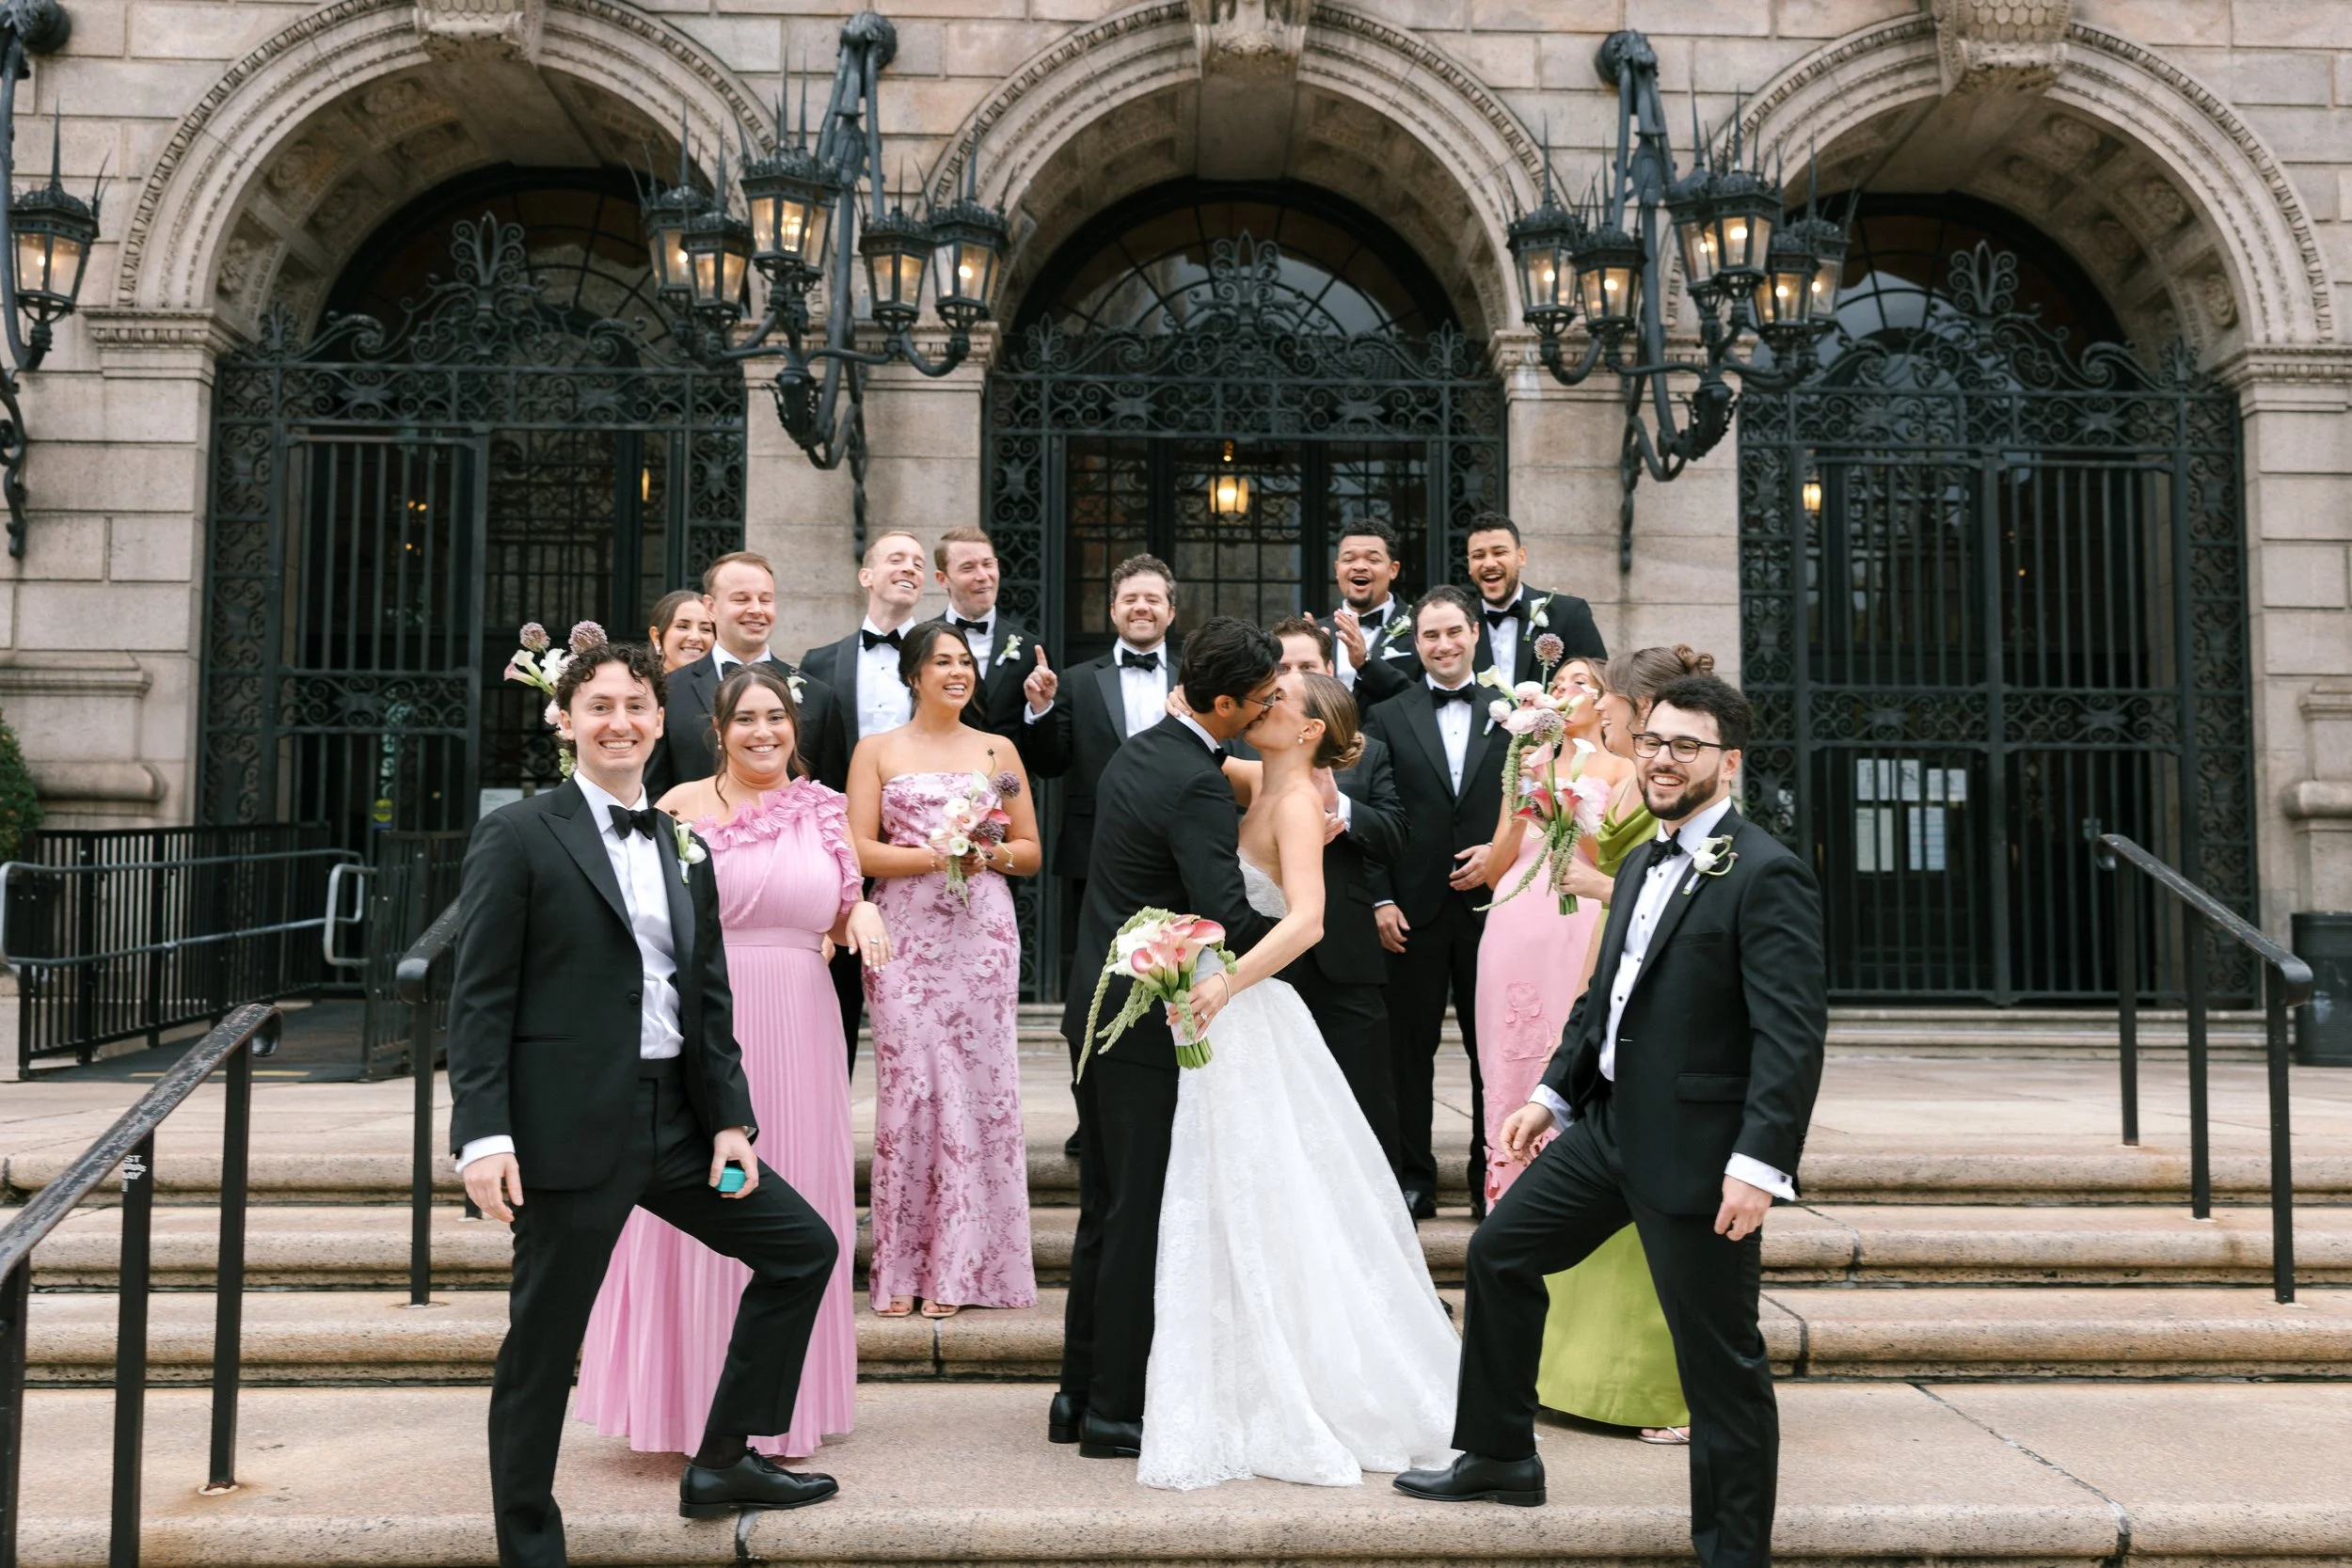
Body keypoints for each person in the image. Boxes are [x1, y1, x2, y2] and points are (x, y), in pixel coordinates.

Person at [1399, 674, 1829, 1568]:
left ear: (1730, 762)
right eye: (1656, 741)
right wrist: (1550, 1096)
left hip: (1703, 1158)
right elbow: (1605, 1000)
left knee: (1721, 1365)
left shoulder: (1766, 871)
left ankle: (1733, 1552)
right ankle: (1500, 1452)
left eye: (1687, 746)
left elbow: (1791, 1036)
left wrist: (1760, 1163)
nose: (1664, 758)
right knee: (1499, 1251)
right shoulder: (1638, 860)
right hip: (1606, 1132)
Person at [447, 641, 842, 1568]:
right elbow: (480, 996)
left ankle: (721, 1459)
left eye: (636, 704)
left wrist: (731, 1118)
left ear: (662, 721)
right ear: (567, 719)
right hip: (568, 1124)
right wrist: (483, 1133)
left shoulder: (682, 842)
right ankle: (529, 1540)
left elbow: (705, 998)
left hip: (678, 1122)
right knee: (544, 1338)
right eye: (599, 705)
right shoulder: (519, 833)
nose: (619, 720)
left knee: (803, 1248)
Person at [1138, 666, 1457, 1490]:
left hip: (1252, 1013)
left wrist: (1222, 980)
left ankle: (1305, 1381)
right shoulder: (1257, 777)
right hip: (1225, 1019)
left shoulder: (1297, 801)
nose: (1262, 705)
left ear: (1311, 729)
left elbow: (1308, 921)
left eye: (1278, 700)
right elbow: (1204, 749)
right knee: (1233, 1195)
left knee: (1273, 1194)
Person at [573, 665, 888, 1463]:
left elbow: (842, 901)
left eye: (776, 717)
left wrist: (867, 908)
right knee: (699, 1208)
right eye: (745, 718)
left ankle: (776, 1408)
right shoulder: (677, 806)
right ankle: (681, 1405)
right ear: (718, 731)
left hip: (804, 1018)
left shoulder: (826, 810)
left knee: (796, 1208)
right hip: (701, 1021)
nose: (763, 732)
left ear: (795, 726)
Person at [1051, 616, 1282, 1462]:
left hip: (1094, 1007)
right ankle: (1116, 1410)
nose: (1259, 718)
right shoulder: (1191, 782)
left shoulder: (1144, 750)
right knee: (1139, 1212)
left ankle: (1076, 1393)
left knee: (1103, 1212)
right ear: (1221, 702)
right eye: (1254, 706)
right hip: (1146, 1022)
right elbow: (1223, 906)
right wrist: (1305, 924)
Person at [1535, 644, 1717, 1446]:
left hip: (1655, 980)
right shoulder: (1614, 773)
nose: (1600, 712)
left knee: (1645, 1226)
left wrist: (1596, 881)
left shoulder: (1672, 794)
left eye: (1608, 701)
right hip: (1611, 959)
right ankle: (1579, 1376)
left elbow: (1688, 888)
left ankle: (1653, 1384)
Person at [849, 622, 1041, 1321]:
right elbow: (860, 851)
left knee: (980, 1086)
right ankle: (902, 1264)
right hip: (902, 934)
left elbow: (1030, 849)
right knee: (912, 1087)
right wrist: (934, 853)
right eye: (942, 662)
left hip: (981, 934)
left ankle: (965, 1267)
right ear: (913, 674)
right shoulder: (876, 750)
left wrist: (978, 852)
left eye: (965, 662)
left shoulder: (998, 749)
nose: (957, 672)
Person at [1360, 586, 1510, 1221]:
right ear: (1415, 643)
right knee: (1406, 1053)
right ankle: (1412, 1178)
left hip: (1494, 908)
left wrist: (1499, 858)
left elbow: (1534, 803)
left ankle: (1491, 1177)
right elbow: (1370, 806)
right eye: (1430, 635)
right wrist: (1380, 896)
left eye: (1453, 632)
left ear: (1475, 633)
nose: (1443, 645)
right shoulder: (1389, 714)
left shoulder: (1516, 712)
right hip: (1411, 912)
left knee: (1495, 1050)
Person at [1471, 655, 1625, 1211]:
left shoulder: (1623, 772)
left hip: (1579, 916)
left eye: (1580, 683)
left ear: (1606, 702)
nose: (1565, 692)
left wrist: (1571, 814)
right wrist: (1525, 795)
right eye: (1556, 684)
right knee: (1510, 1049)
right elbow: (1494, 869)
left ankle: (1572, 1188)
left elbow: (1613, 863)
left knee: (1567, 1040)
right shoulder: (1528, 760)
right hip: (1516, 915)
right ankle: (1507, 1189)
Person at [1259, 614, 1408, 1175]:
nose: (1292, 678)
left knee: (1365, 1098)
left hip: (1347, 954)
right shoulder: (1248, 753)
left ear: (1330, 672)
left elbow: (1396, 836)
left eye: (1306, 667)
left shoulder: (1366, 754)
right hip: (1266, 952)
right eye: (1281, 668)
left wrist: (1339, 809)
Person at [802, 530, 931, 1069]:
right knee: (837, 995)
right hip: (841, 845)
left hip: (924, 848)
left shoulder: (942, 658)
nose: (910, 568)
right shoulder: (818, 661)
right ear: (866, 576)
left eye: (920, 563)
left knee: (923, 999)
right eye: (897, 559)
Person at [1024, 553, 1180, 888]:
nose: (1140, 607)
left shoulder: (1193, 682)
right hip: (1093, 848)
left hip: (1176, 846)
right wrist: (1041, 709)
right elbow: (1050, 765)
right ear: (1113, 611)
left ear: (1171, 612)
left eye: (1152, 599)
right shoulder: (1075, 680)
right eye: (1130, 599)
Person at [648, 552, 850, 797]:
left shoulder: (819, 696)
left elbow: (831, 797)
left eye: (765, 600)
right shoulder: (668, 691)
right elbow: (653, 793)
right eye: (742, 599)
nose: (756, 610)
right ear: (710, 608)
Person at [930, 524, 1059, 767]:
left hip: (1004, 795)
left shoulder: (1031, 649)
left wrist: (1040, 708)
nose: (982, 576)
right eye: (968, 567)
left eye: (988, 564)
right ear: (942, 579)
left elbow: (1048, 763)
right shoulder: (921, 642)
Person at [1462, 513, 1606, 684]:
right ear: (1469, 565)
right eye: (1478, 556)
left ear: (1521, 557)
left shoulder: (1570, 615)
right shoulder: (1459, 626)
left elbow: (1600, 685)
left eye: (1499, 552)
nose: (1489, 563)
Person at [1322, 520, 1416, 705]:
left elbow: (1422, 700)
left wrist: (1366, 664)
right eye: (1349, 559)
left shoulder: (1421, 629)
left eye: (1373, 560)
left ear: (1393, 570)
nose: (1359, 566)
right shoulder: (1317, 632)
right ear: (1337, 569)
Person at [648, 589, 716, 674]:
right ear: (656, 637)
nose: (695, 637)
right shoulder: (636, 685)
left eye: (705, 629)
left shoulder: (728, 685)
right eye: (683, 627)